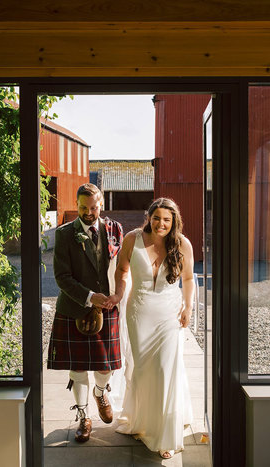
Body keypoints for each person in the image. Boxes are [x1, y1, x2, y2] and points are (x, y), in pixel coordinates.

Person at [108, 197, 195, 459]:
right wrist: (118, 294)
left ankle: (164, 435)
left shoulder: (182, 244)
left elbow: (189, 278)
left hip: (169, 314)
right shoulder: (132, 239)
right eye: (156, 218)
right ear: (149, 217)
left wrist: (188, 307)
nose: (161, 223)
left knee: (165, 370)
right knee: (143, 369)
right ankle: (142, 422)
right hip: (140, 313)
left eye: (166, 220)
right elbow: (121, 271)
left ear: (174, 221)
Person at [46, 183, 123, 443]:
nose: (88, 212)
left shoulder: (114, 229)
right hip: (75, 307)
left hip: (108, 308)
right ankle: (83, 416)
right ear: (76, 205)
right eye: (83, 207)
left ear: (100, 204)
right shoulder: (65, 234)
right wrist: (91, 298)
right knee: (78, 369)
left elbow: (121, 267)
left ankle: (100, 393)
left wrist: (117, 295)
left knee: (105, 366)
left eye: (93, 207)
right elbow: (62, 277)